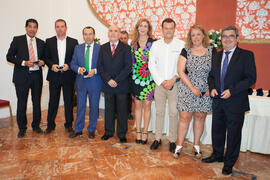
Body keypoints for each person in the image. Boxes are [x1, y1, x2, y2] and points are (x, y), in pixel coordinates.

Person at [202, 26, 256, 175]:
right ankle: (217, 155)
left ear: (237, 38)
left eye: (230, 36)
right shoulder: (217, 56)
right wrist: (212, 88)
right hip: (218, 101)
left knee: (233, 134)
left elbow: (251, 78)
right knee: (217, 130)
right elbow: (211, 76)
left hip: (236, 102)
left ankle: (229, 162)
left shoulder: (246, 55)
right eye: (224, 36)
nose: (227, 39)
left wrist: (232, 90)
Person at [174, 25, 216, 159]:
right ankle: (179, 146)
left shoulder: (212, 51)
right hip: (187, 89)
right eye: (193, 35)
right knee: (184, 118)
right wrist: (192, 88)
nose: (196, 37)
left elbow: (216, 72)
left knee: (200, 117)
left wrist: (211, 88)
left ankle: (196, 146)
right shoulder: (185, 50)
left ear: (203, 35)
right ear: (190, 37)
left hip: (205, 91)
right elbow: (180, 71)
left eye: (198, 34)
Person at [148, 18, 185, 152]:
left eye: (171, 28)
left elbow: (183, 64)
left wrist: (173, 79)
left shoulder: (181, 44)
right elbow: (152, 65)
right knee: (159, 112)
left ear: (174, 29)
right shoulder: (156, 45)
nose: (168, 30)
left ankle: (172, 140)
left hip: (175, 84)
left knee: (173, 113)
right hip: (160, 84)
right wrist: (162, 81)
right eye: (166, 28)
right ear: (162, 29)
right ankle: (157, 138)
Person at [6, 19, 45, 138]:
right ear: (26, 28)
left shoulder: (41, 42)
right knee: (22, 103)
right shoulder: (17, 40)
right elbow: (9, 57)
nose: (32, 29)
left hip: (36, 76)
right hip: (22, 77)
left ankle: (36, 126)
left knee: (36, 102)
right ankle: (22, 128)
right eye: (30, 27)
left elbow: (44, 59)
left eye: (34, 27)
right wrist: (23, 62)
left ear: (37, 29)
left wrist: (43, 62)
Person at [97, 25, 132, 143]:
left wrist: (116, 80)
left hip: (121, 84)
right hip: (108, 84)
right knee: (109, 109)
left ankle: (122, 134)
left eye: (115, 31)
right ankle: (108, 132)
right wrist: (108, 79)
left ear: (119, 34)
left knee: (122, 110)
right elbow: (100, 66)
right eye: (111, 31)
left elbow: (128, 67)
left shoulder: (126, 48)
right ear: (108, 33)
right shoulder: (103, 48)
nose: (113, 33)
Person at [44, 19, 78, 134]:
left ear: (66, 28)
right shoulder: (49, 41)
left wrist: (68, 65)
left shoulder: (74, 42)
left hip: (68, 76)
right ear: (55, 28)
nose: (60, 29)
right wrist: (51, 65)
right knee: (53, 101)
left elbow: (75, 58)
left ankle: (69, 125)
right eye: (57, 27)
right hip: (54, 75)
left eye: (62, 26)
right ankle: (50, 125)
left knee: (69, 101)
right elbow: (46, 57)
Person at [69, 26, 102, 139]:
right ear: (83, 35)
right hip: (81, 82)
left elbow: (103, 65)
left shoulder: (100, 48)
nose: (88, 36)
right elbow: (72, 64)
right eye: (85, 34)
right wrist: (79, 69)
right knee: (80, 107)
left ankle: (91, 129)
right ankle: (78, 129)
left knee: (94, 106)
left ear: (94, 35)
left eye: (90, 34)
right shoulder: (78, 48)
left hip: (95, 81)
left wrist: (95, 71)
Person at [130, 18, 155, 145]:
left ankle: (145, 131)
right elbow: (131, 62)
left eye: (145, 26)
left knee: (147, 105)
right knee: (138, 105)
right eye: (141, 26)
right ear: (137, 28)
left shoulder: (154, 43)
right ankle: (138, 131)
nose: (143, 28)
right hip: (136, 77)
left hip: (149, 77)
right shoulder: (133, 43)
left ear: (148, 29)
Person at [120, 30, 133, 120]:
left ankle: (128, 114)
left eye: (125, 38)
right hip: (117, 77)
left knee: (128, 96)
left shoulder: (131, 49)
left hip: (128, 76)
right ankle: (116, 113)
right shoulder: (115, 49)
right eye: (121, 38)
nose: (123, 40)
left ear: (128, 39)